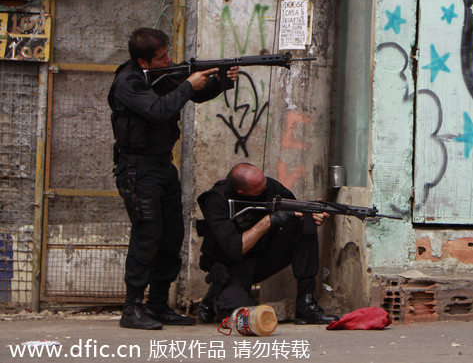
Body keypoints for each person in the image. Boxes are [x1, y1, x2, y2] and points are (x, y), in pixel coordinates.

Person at [108, 27, 239, 330]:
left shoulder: (160, 73)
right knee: (147, 237)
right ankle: (132, 309)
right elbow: (158, 109)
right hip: (137, 171)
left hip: (162, 168)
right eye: (162, 56)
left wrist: (220, 79)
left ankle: (157, 305)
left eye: (168, 53)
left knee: (171, 235)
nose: (169, 60)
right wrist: (188, 85)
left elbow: (197, 92)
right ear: (143, 61)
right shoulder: (127, 82)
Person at [195, 162, 338, 325]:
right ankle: (214, 295)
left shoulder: (269, 186)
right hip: (231, 267)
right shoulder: (217, 200)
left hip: (262, 257)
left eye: (265, 182)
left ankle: (306, 305)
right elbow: (235, 248)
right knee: (241, 318)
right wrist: (269, 221)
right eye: (260, 188)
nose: (266, 188)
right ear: (241, 191)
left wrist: (311, 213)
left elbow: (295, 212)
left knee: (303, 226)